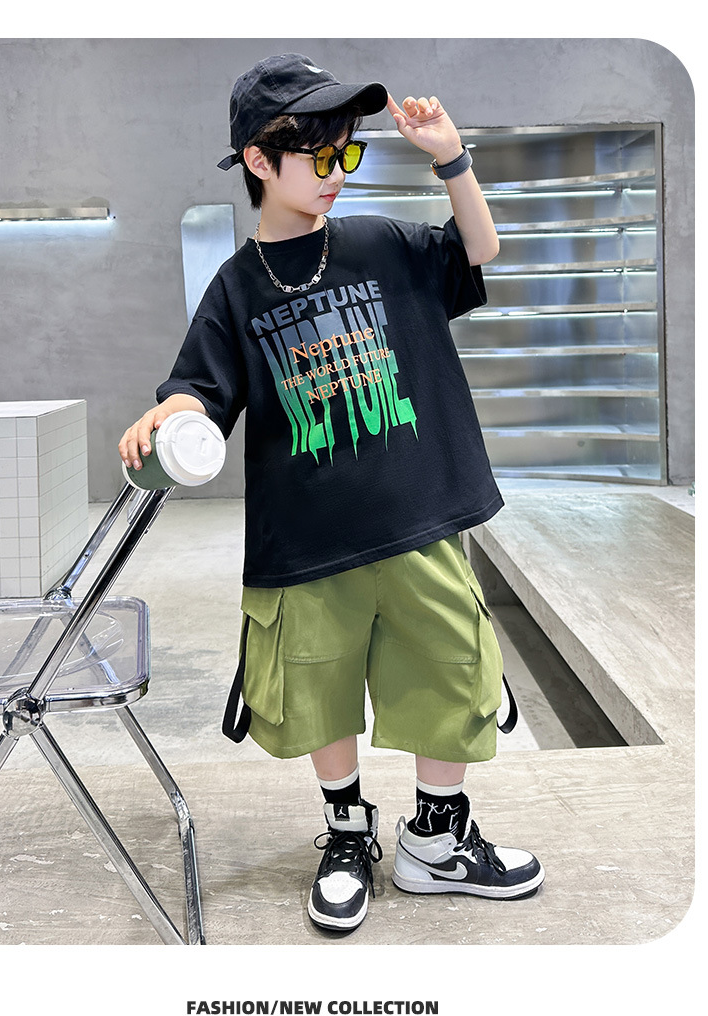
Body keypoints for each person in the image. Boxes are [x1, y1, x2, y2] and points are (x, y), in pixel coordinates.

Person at [119, 53, 544, 934]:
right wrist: (167, 413)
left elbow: (479, 249)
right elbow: (199, 390)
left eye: (347, 153)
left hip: (419, 519)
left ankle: (436, 842)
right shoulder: (236, 288)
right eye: (320, 156)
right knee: (319, 685)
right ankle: (348, 833)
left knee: (448, 673)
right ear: (259, 160)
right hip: (311, 539)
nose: (337, 173)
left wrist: (452, 158)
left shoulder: (381, 243)